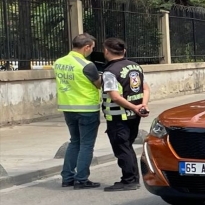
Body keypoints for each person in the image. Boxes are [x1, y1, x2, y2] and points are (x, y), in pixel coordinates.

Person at [53, 33, 102, 190]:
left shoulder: (59, 62)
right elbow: (98, 84)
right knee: (86, 144)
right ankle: (81, 179)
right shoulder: (87, 65)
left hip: (68, 107)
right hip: (87, 108)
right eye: (92, 48)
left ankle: (67, 177)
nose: (92, 51)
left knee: (74, 141)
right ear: (86, 47)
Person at [101, 37, 150, 192]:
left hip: (118, 116)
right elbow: (146, 89)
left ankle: (129, 180)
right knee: (127, 146)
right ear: (124, 51)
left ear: (106, 51)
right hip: (134, 116)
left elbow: (115, 97)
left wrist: (134, 108)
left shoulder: (110, 72)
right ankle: (131, 178)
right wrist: (142, 106)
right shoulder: (135, 66)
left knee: (122, 148)